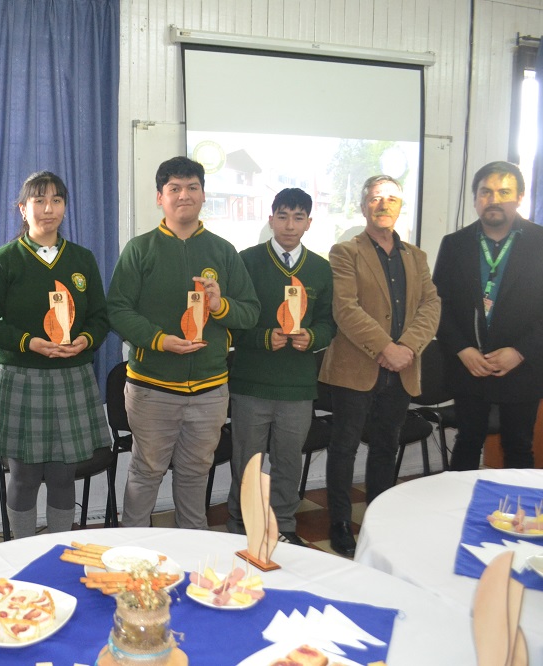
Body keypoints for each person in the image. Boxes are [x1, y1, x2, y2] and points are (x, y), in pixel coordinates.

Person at [107, 156, 260, 530]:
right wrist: (159, 341)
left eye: (192, 187)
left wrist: (219, 305)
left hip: (209, 390)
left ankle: (195, 551)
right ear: (160, 197)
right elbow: (117, 310)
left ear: (204, 195)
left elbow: (251, 313)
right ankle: (132, 550)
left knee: (195, 474)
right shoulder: (140, 249)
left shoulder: (223, 251)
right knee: (146, 471)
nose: (184, 195)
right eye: (174, 188)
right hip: (152, 388)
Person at [0, 171, 110, 539]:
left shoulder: (82, 259)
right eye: (39, 200)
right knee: (24, 475)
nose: (48, 209)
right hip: (21, 377)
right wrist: (28, 342)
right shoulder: (3, 260)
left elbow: (100, 316)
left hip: (72, 376)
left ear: (65, 207)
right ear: (23, 208)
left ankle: (60, 550)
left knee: (64, 474)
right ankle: (22, 552)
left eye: (57, 200)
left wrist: (86, 340)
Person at [319, 175, 440, 557]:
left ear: (400, 206)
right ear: (363, 205)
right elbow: (345, 308)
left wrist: (406, 347)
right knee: (344, 447)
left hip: (402, 369)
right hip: (356, 368)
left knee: (387, 446)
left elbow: (431, 305)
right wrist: (385, 347)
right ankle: (339, 523)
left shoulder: (416, 257)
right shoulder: (344, 252)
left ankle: (379, 520)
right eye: (375, 198)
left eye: (391, 198)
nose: (383, 204)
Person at [226, 188, 335, 546]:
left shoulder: (320, 269)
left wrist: (313, 337)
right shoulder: (246, 261)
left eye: (298, 217)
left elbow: (328, 323)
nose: (290, 225)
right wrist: (261, 338)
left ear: (309, 223)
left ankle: (284, 526)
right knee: (247, 462)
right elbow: (232, 321)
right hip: (251, 383)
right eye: (283, 216)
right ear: (271, 218)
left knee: (289, 463)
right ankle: (242, 526)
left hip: (298, 387)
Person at [434, 161, 543, 470]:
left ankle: (517, 518)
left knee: (519, 446)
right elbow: (436, 305)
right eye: (485, 192)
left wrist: (520, 352)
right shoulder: (454, 244)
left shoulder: (540, 242)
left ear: (520, 197)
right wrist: (462, 350)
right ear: (475, 198)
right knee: (467, 442)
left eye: (504, 192)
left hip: (523, 366)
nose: (493, 199)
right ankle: (459, 517)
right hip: (470, 366)